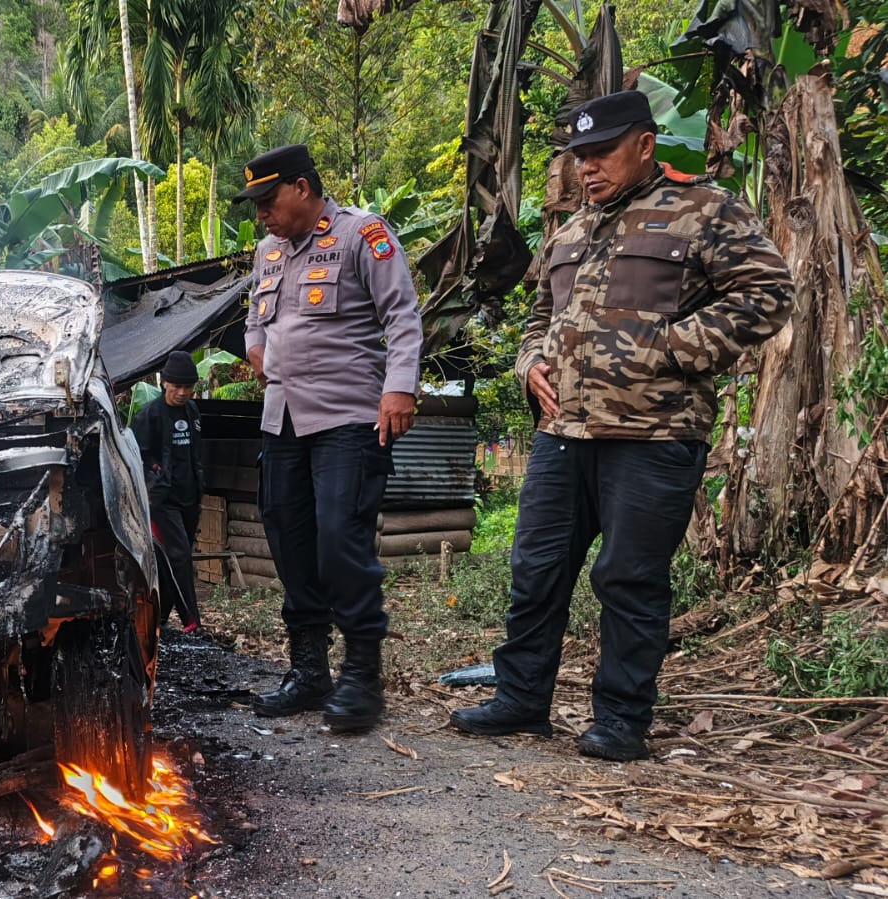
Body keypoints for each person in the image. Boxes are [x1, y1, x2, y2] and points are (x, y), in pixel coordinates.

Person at [447, 90, 794, 760]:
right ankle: (521, 698)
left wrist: (668, 347)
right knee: (535, 568)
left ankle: (620, 719)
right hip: (563, 432)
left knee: (628, 577)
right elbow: (537, 317)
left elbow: (768, 293)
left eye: (601, 152)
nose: (587, 167)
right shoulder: (571, 229)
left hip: (653, 433)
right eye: (579, 156)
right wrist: (528, 365)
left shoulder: (705, 210)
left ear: (643, 144)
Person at [237, 144, 423, 733]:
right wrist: (254, 345)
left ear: (301, 187)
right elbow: (254, 317)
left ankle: (362, 677)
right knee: (289, 539)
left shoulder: (361, 234)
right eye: (256, 206)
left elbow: (402, 315)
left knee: (341, 542)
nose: (262, 214)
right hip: (282, 418)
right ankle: (310, 671)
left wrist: (400, 388)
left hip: (348, 418)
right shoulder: (268, 251)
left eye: (268, 201)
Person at [131, 350, 205, 632]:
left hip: (190, 496)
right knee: (179, 555)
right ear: (164, 383)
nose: (183, 392)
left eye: (189, 387)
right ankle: (192, 621)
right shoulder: (148, 416)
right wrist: (155, 479)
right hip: (162, 500)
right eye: (178, 387)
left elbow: (195, 452)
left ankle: (158, 619)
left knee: (172, 561)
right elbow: (138, 456)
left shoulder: (193, 412)